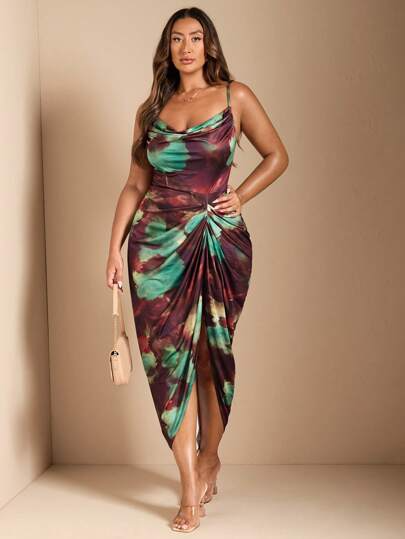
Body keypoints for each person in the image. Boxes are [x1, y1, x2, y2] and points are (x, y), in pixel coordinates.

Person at [106, 6, 289, 533]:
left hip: (216, 241)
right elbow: (134, 185)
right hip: (155, 248)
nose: (186, 47)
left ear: (209, 46)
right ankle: (188, 486)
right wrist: (113, 248)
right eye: (177, 39)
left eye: (196, 38)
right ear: (167, 49)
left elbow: (277, 155)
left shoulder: (236, 96)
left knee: (209, 357)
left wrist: (241, 195)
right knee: (170, 367)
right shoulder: (151, 110)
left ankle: (210, 456)